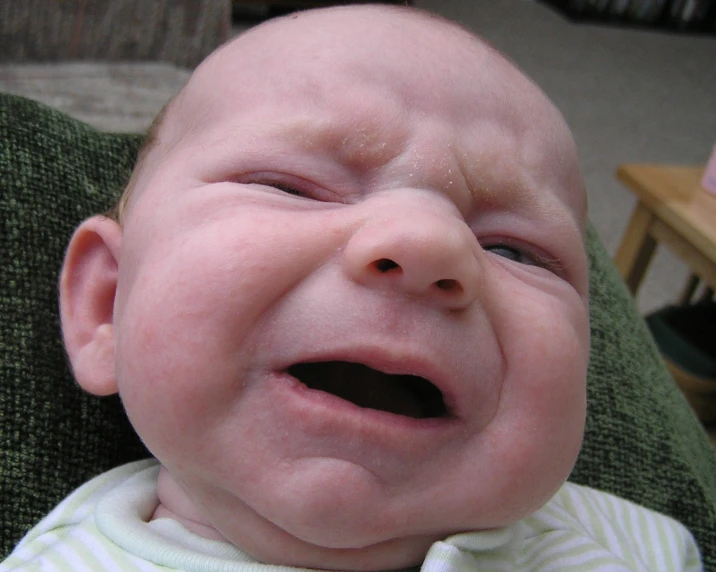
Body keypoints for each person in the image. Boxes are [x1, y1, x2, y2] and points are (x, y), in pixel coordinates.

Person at [1, 4, 701, 571]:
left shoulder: (637, 545)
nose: (429, 244)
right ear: (106, 305)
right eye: (292, 188)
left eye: (515, 249)